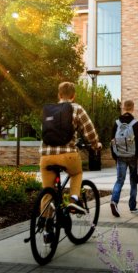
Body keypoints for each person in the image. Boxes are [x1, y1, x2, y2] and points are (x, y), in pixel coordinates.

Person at [40, 82, 102, 214]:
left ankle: (46, 229)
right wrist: (96, 144)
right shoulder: (76, 108)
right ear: (73, 95)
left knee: (47, 191)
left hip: (46, 156)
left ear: (59, 95)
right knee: (77, 173)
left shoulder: (49, 111)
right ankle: (74, 201)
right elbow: (89, 131)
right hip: (68, 155)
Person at [110, 100, 138, 217]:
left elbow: (112, 141)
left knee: (119, 180)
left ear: (123, 108)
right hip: (132, 156)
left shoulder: (116, 123)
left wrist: (115, 156)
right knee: (133, 182)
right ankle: (132, 207)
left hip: (120, 156)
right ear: (133, 108)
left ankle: (114, 201)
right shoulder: (136, 124)